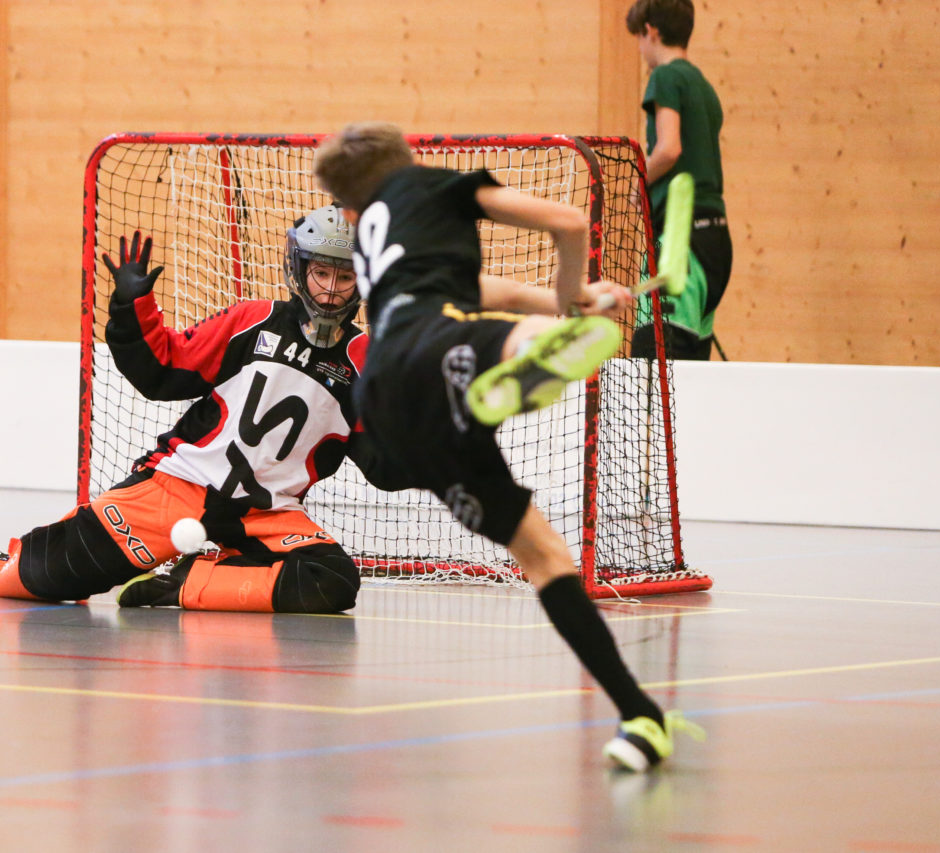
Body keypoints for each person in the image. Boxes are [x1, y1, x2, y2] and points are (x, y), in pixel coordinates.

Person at [312, 122, 703, 771]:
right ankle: (527, 354)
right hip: (436, 359)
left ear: (351, 206)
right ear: (405, 162)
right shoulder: (431, 185)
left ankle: (641, 717)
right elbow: (568, 221)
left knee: (543, 554)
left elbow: (481, 290)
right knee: (487, 341)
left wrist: (568, 303)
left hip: (383, 401)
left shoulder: (376, 249)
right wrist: (577, 290)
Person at [0, 205, 399, 614]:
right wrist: (132, 310)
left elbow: (385, 467)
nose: (330, 291)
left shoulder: (366, 362)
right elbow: (162, 370)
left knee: (334, 582)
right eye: (321, 273)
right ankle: (5, 566)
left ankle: (184, 584)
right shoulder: (252, 321)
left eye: (345, 279)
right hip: (177, 487)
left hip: (267, 516)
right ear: (298, 270)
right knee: (41, 579)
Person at [626, 0, 733, 361]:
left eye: (639, 38)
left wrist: (636, 186)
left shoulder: (666, 77)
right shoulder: (704, 88)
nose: (640, 50)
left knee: (651, 374)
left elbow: (669, 149)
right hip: (714, 242)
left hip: (679, 243)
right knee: (690, 379)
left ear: (651, 31)